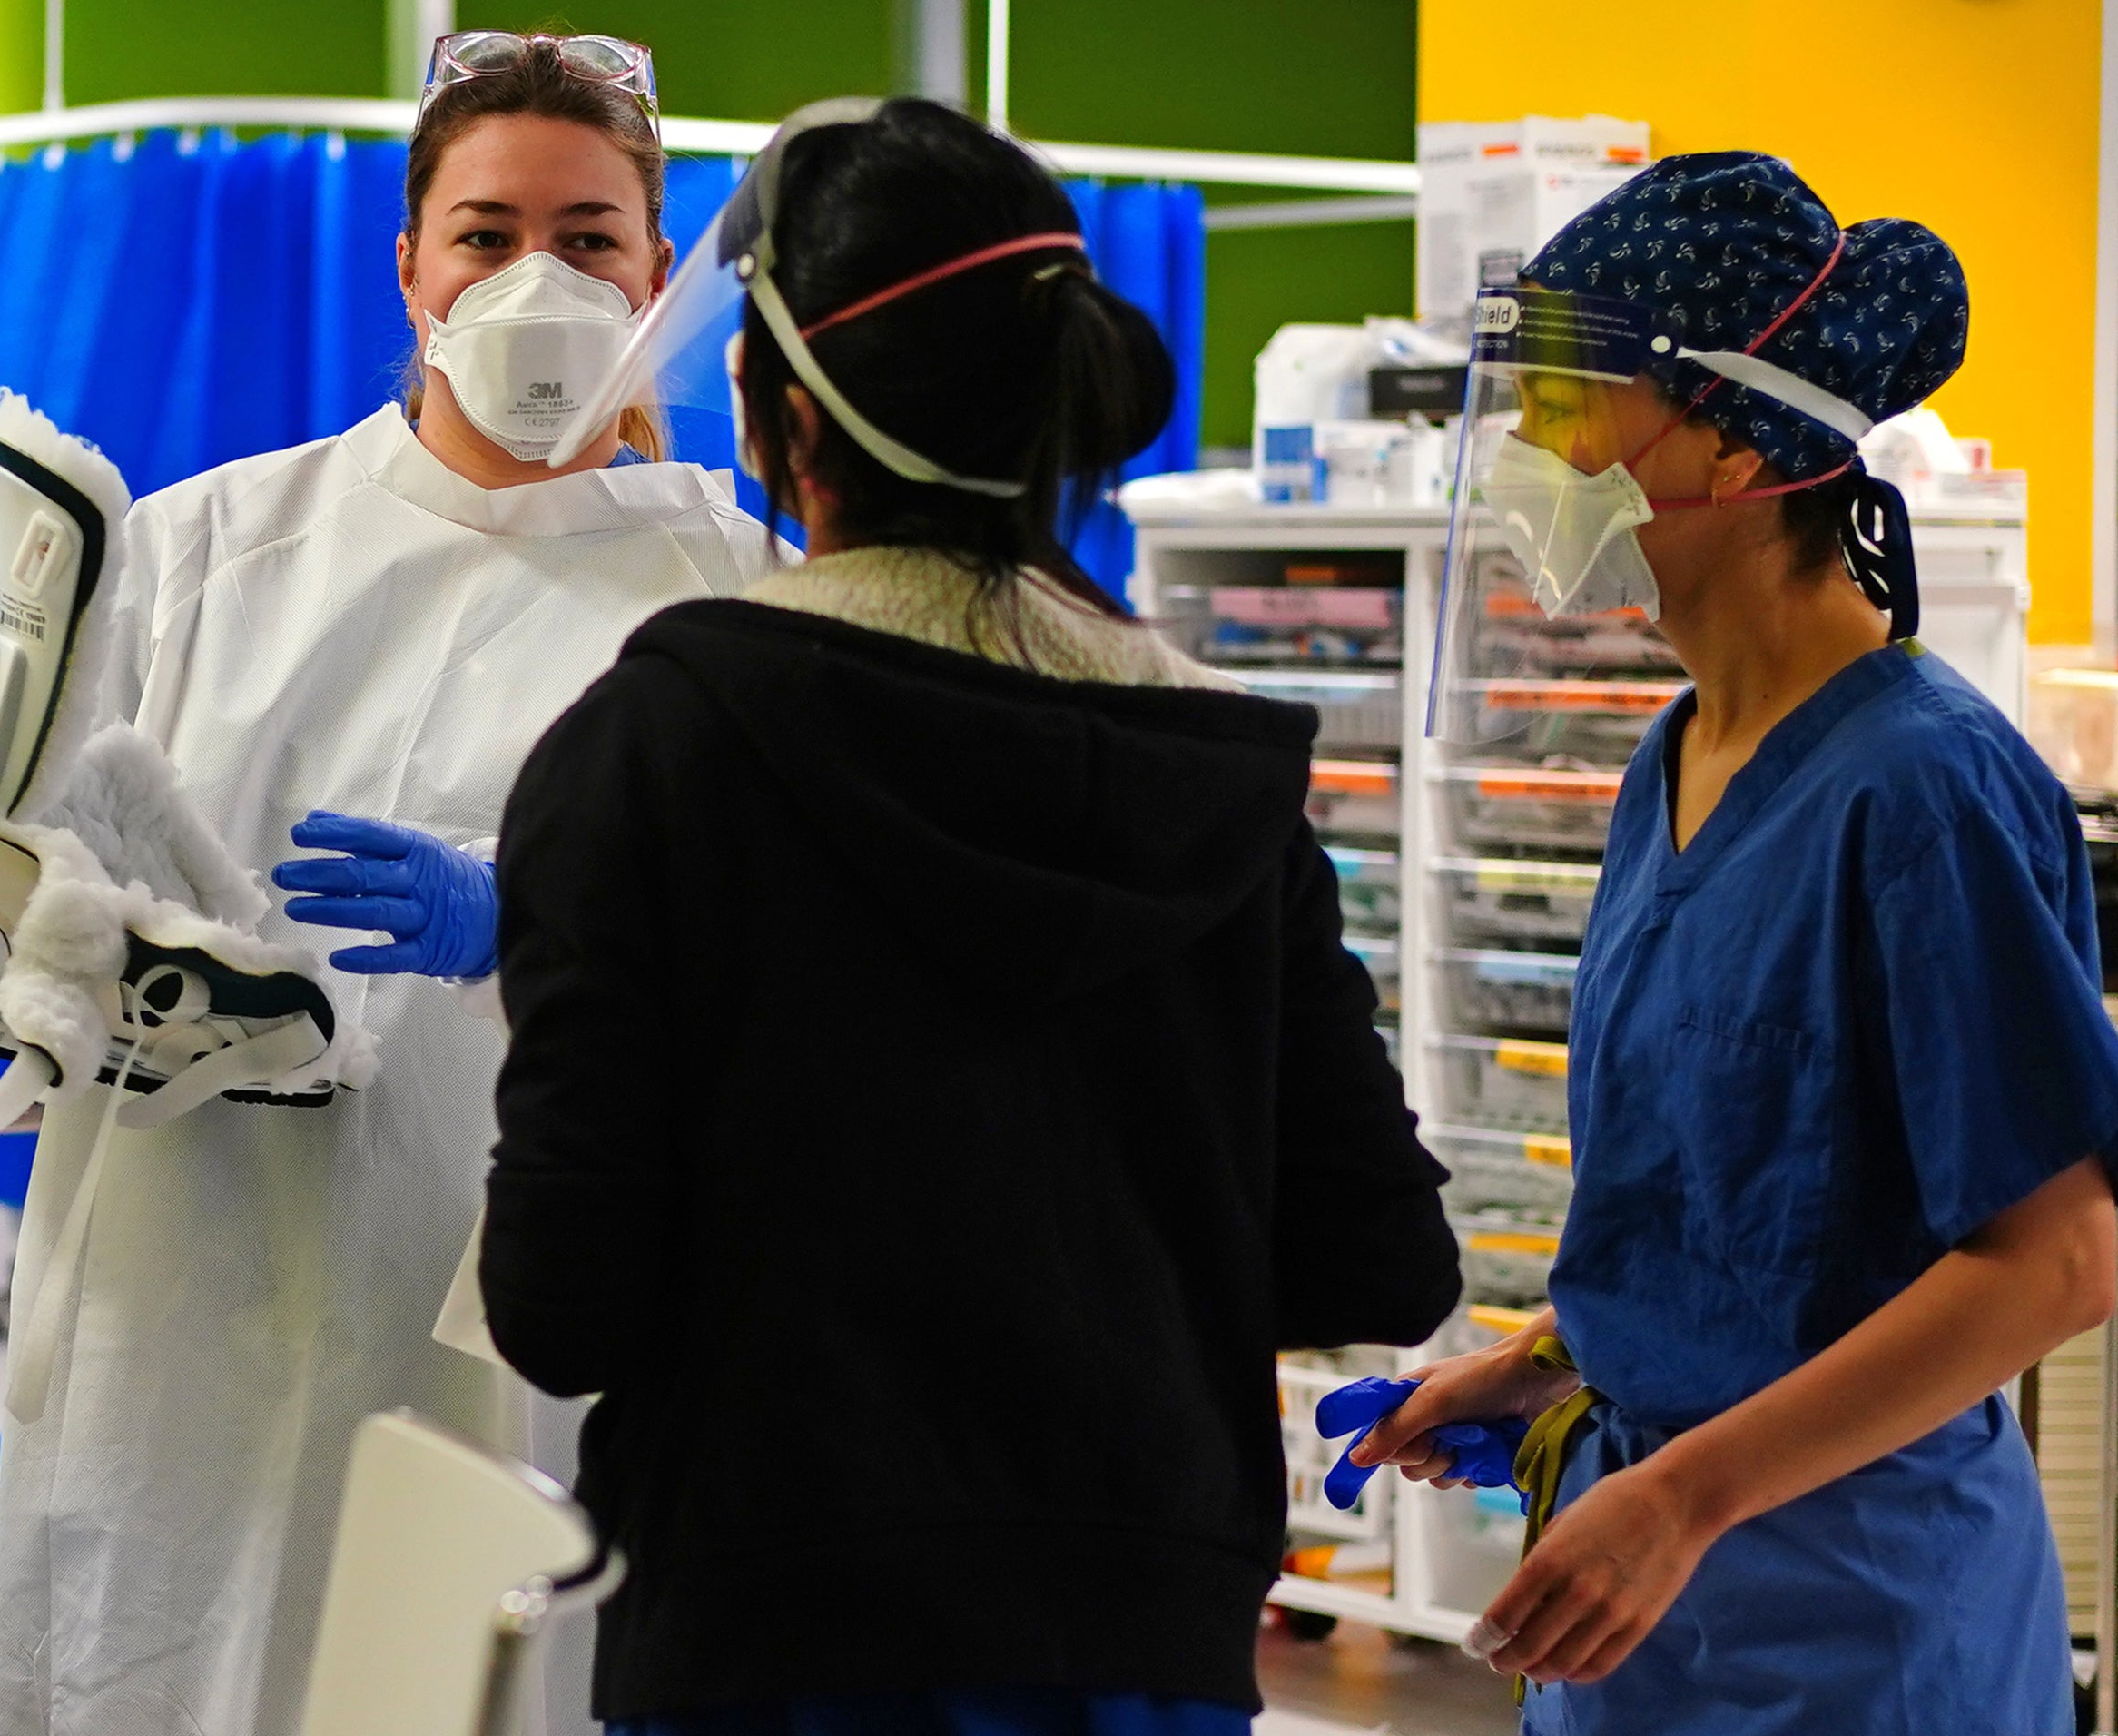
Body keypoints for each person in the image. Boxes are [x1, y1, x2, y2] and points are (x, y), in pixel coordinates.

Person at [0, 34, 776, 1736]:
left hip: (538, 1361)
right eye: (486, 234)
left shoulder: (741, 601)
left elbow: (824, 972)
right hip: (188, 1332)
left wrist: (544, 920)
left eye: (590, 237)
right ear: (408, 264)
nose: (534, 280)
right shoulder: (189, 558)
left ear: (655, 274)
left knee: (498, 1685)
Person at [475, 96, 1463, 1733]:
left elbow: (560, 1308)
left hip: (775, 1628)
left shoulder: (656, 746)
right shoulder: (1221, 768)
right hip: (1145, 1632)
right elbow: (1381, 1252)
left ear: (787, 423)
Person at [1353, 153, 2118, 1734]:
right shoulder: (1674, 757)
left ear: (1727, 448)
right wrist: (1553, 1357)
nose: (1526, 456)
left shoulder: (1922, 788)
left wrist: (1685, 1497)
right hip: (1644, 1599)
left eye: (1567, 410)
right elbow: (1758, 1199)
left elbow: (2051, 1263)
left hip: (1855, 1615)